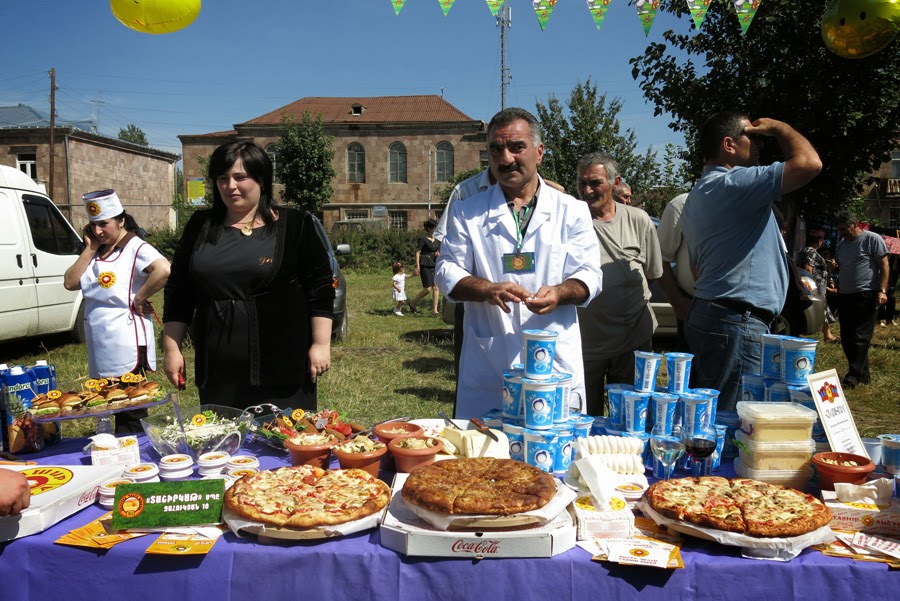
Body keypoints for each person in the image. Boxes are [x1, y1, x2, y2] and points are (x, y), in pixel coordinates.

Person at [435, 107, 602, 419]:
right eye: (496, 149)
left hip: (553, 362)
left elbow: (589, 274)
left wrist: (560, 293)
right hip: (490, 363)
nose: (506, 158)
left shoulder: (572, 211)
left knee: (551, 446)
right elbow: (446, 271)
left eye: (516, 147)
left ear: (539, 152)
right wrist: (487, 290)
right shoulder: (467, 211)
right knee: (485, 448)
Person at [162, 141, 334, 410]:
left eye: (240, 177)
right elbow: (179, 291)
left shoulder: (295, 225)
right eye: (222, 178)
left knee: (284, 435)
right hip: (218, 368)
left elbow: (320, 288)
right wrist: (172, 349)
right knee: (225, 435)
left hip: (282, 367)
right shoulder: (200, 225)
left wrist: (321, 344)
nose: (230, 186)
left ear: (262, 180)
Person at [681, 111, 822, 412]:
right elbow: (810, 164)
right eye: (754, 138)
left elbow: (696, 268)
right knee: (735, 418)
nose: (760, 145)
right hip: (737, 322)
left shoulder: (699, 194)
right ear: (729, 145)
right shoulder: (734, 183)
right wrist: (779, 127)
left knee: (711, 415)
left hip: (717, 315)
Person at [63, 189, 170, 432]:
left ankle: (133, 445)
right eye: (93, 225)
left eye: (104, 224)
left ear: (121, 221)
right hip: (100, 339)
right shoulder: (97, 250)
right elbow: (70, 282)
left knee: (130, 404)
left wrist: (139, 298)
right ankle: (111, 442)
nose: (98, 231)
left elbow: (163, 269)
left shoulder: (134, 246)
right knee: (106, 399)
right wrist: (89, 249)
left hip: (125, 340)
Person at [575, 153, 662, 416]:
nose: (587, 191)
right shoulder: (571, 221)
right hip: (585, 344)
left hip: (632, 340)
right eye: (582, 183)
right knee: (584, 420)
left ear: (615, 182)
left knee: (628, 418)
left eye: (595, 183)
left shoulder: (638, 220)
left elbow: (652, 274)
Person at [834, 211, 890, 389]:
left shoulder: (872, 239)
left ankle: (853, 376)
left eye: (844, 229)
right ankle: (863, 374)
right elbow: (842, 264)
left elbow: (884, 265)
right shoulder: (842, 244)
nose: (842, 232)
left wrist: (882, 290)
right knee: (847, 337)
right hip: (845, 294)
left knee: (860, 336)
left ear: (855, 224)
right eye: (839, 230)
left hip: (866, 293)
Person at [656, 192, 694, 352]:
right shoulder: (683, 204)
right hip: (693, 308)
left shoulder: (749, 202)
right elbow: (659, 259)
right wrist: (679, 303)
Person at [797, 229, 838, 342]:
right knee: (821, 308)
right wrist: (811, 286)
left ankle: (827, 334)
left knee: (822, 308)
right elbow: (807, 269)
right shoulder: (811, 252)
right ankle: (827, 335)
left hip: (816, 286)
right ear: (820, 240)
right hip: (815, 287)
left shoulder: (806, 250)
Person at [409, 220, 441, 314]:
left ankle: (434, 310)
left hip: (435, 264)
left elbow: (437, 249)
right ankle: (412, 303)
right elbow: (417, 252)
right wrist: (417, 266)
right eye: (434, 228)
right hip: (425, 264)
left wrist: (438, 253)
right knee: (427, 289)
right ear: (429, 228)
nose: (436, 229)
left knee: (436, 287)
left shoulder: (436, 239)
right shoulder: (422, 239)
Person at [877, 254, 899, 326]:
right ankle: (879, 319)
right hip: (880, 269)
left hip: (893, 268)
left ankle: (889, 318)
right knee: (881, 295)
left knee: (891, 296)